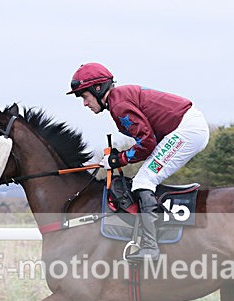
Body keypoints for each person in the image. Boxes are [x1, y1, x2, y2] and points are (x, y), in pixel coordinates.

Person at [67, 62, 210, 261]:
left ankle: (151, 247)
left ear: (97, 89)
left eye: (84, 96)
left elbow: (147, 143)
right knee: (143, 178)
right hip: (186, 127)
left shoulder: (118, 105)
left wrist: (119, 159)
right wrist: (120, 157)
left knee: (144, 181)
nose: (84, 103)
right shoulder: (119, 99)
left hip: (187, 131)